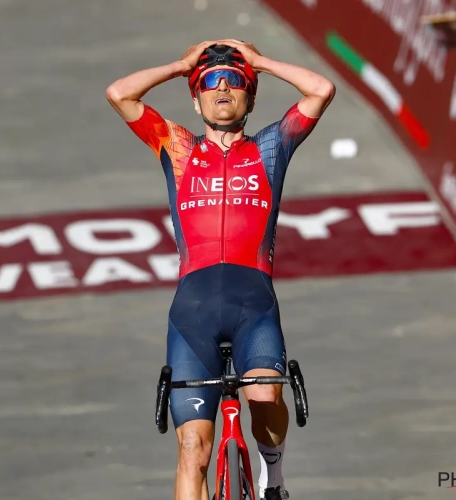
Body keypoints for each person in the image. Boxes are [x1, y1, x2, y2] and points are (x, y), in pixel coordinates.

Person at [106, 39, 335, 500]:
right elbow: (119, 94)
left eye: (236, 80)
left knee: (266, 401)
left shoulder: (271, 147)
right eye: (209, 82)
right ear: (196, 99)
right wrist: (180, 64)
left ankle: (274, 475)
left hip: (254, 307)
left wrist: (263, 62)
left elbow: (321, 89)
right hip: (193, 314)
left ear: (251, 96)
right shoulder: (178, 147)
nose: (223, 86)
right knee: (193, 447)